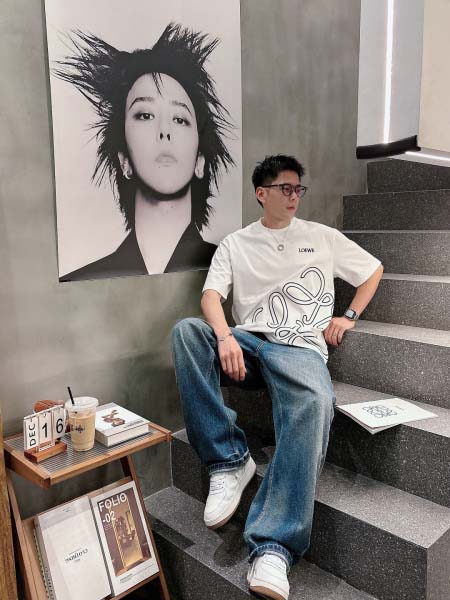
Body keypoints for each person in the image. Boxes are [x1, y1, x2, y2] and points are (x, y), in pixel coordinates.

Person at [171, 155, 383, 600]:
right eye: (284, 188)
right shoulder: (236, 243)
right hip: (247, 343)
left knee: (315, 402)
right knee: (187, 333)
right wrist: (225, 337)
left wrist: (348, 316)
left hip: (300, 347)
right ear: (261, 193)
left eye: (298, 188)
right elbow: (211, 296)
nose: (293, 196)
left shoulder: (321, 237)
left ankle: (273, 546)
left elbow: (372, 270)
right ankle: (229, 460)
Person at [55, 23, 234, 281]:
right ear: (124, 160)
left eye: (180, 119)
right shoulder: (84, 279)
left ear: (200, 161)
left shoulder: (230, 269)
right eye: (145, 115)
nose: (165, 131)